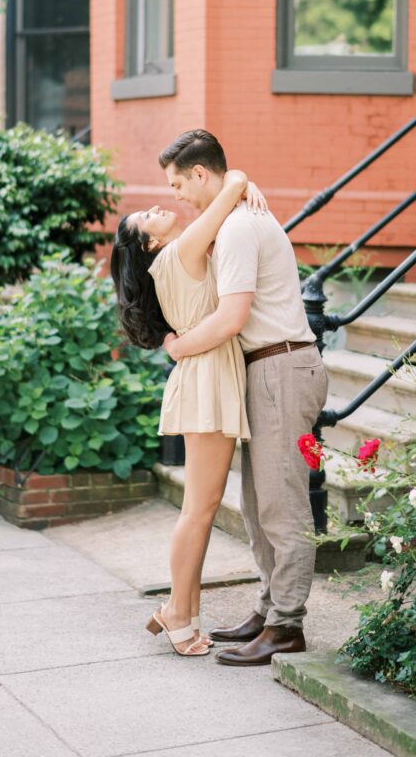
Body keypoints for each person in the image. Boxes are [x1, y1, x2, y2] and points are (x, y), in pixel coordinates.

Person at [159, 129, 329, 667]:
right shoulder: (233, 215)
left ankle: (286, 626)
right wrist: (240, 181)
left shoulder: (236, 229)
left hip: (281, 364)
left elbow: (232, 317)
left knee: (282, 506)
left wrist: (180, 347)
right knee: (259, 506)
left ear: (201, 174)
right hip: (266, 367)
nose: (177, 196)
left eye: (179, 183)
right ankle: (267, 608)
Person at [111, 168, 266, 657]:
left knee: (200, 508)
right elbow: (229, 190)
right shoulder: (179, 251)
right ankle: (177, 613)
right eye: (145, 219)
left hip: (206, 373)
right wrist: (242, 179)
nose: (157, 208)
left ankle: (184, 613)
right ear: (149, 246)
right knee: (199, 509)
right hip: (205, 377)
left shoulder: (179, 254)